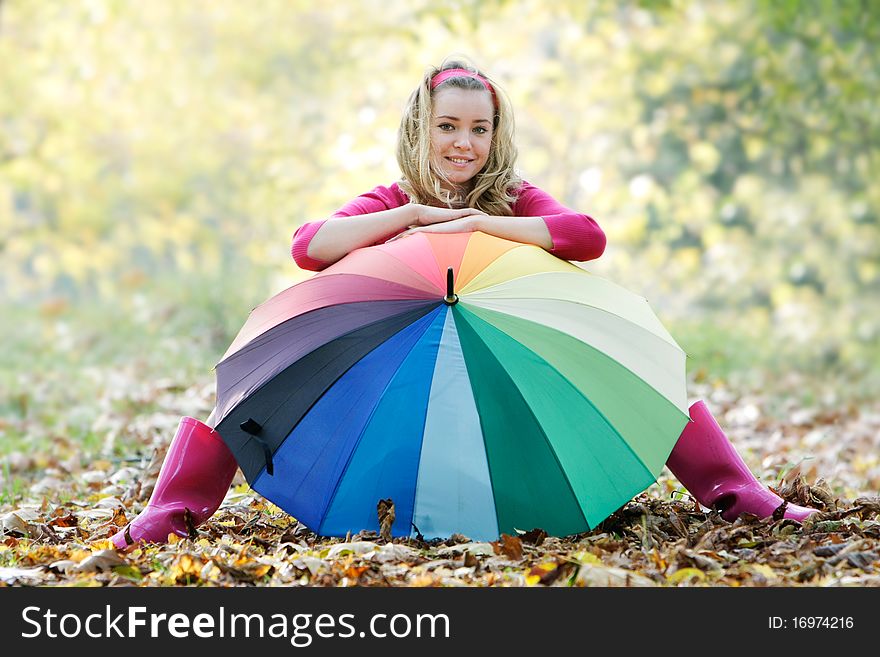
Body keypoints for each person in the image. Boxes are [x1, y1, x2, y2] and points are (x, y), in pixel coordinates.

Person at [111, 58, 815, 549]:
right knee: (261, 387)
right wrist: (412, 215)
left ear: (495, 135)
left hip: (503, 348)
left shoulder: (510, 195)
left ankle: (733, 490)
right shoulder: (390, 198)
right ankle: (174, 506)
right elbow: (309, 245)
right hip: (396, 344)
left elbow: (586, 236)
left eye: (478, 129)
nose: (464, 144)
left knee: (631, 380)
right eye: (449, 126)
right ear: (422, 127)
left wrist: (481, 223)